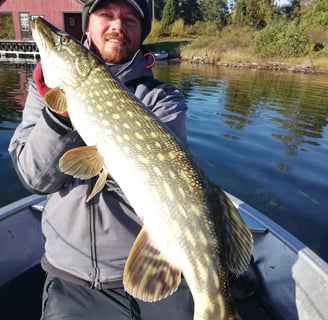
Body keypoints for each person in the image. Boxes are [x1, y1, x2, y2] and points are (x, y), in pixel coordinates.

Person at [8, 0, 192, 319]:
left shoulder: (162, 99)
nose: (117, 26)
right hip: (73, 277)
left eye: (130, 20)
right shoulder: (44, 91)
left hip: (152, 268)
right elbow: (35, 179)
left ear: (141, 32)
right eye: (106, 15)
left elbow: (166, 182)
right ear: (88, 25)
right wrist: (59, 118)